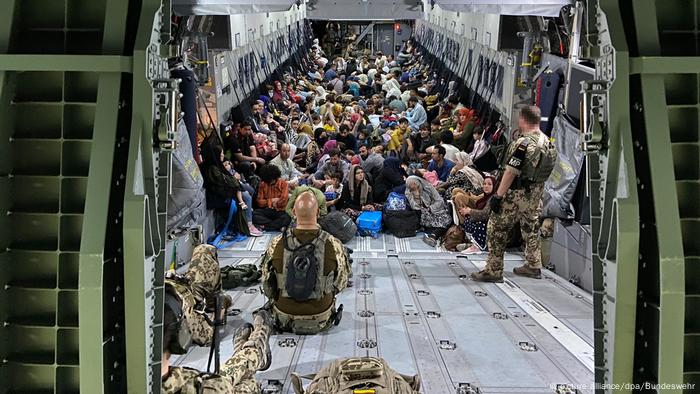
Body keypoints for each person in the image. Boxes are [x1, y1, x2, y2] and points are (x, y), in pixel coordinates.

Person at [161, 244, 273, 393]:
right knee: (245, 383)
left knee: (204, 249)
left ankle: (253, 350)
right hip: (183, 304)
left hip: (184, 290)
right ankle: (255, 348)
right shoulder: (201, 387)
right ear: (179, 340)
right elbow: (206, 336)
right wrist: (219, 313)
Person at [471, 105, 555, 282]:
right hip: (535, 194)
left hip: (516, 193)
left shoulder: (523, 144)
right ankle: (533, 265)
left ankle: (493, 271)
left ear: (523, 119)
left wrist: (498, 196)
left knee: (496, 228)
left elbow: (510, 172)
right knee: (530, 227)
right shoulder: (549, 142)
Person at [260, 191, 350, 334]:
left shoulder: (276, 243)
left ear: (294, 212)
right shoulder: (334, 244)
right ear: (319, 212)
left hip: (283, 316)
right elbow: (341, 283)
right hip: (320, 317)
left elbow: (266, 283)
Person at [201, 144, 262, 236]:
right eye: (221, 154)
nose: (223, 156)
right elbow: (223, 182)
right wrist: (235, 180)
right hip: (217, 193)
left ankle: (249, 216)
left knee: (249, 190)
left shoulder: (216, 164)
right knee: (246, 196)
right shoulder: (212, 168)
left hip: (225, 188)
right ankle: (249, 225)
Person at [405, 176, 453, 247]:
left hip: (435, 210)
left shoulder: (428, 187)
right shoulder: (408, 192)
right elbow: (415, 207)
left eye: (415, 183)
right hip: (422, 214)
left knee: (447, 220)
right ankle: (433, 235)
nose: (413, 186)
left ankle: (433, 236)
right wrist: (416, 194)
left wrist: (431, 208)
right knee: (439, 223)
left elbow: (439, 201)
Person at [457, 175, 497, 254]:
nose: (486, 186)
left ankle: (478, 246)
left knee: (481, 222)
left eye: (489, 184)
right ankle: (474, 244)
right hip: (488, 224)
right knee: (468, 220)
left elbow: (485, 214)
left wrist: (470, 211)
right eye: (484, 184)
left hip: (494, 226)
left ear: (495, 186)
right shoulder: (485, 197)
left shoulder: (494, 198)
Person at [254, 164, 292, 231]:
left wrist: (268, 202)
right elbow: (259, 202)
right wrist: (272, 200)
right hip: (268, 210)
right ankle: (277, 226)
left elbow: (283, 201)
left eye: (271, 180)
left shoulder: (284, 184)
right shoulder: (263, 184)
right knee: (254, 214)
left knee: (287, 217)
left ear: (275, 177)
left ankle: (265, 226)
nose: (270, 183)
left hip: (281, 211)